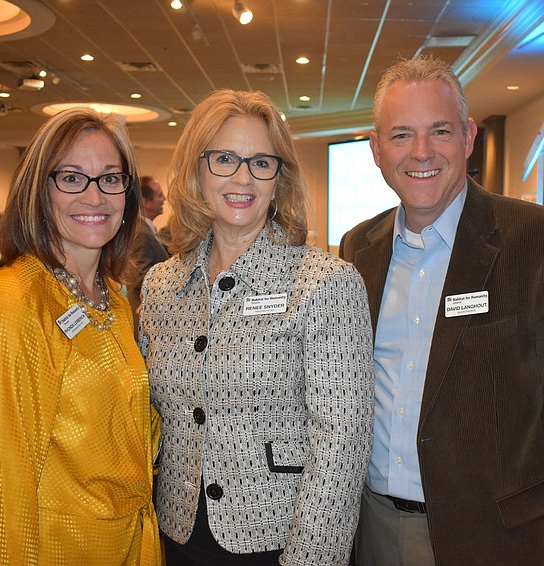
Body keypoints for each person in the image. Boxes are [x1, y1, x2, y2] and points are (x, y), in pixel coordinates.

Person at [339, 56, 544, 565]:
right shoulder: (356, 249)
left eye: (440, 131)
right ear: (376, 149)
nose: (422, 152)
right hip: (372, 528)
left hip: (494, 540)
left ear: (469, 137)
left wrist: (538, 516)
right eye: (402, 134)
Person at [138, 89, 374, 565]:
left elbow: (342, 443)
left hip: (279, 541)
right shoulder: (161, 285)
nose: (242, 177)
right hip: (176, 534)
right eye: (224, 158)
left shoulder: (325, 282)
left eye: (261, 162)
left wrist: (310, 559)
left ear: (278, 177)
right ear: (196, 169)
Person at [0, 108, 162, 565]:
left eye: (110, 178)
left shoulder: (113, 299)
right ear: (39, 190)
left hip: (127, 544)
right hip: (52, 548)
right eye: (72, 178)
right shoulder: (13, 302)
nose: (95, 197)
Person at [128, 176, 169, 323]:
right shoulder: (141, 232)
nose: (164, 198)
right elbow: (141, 277)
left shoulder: (147, 229)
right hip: (146, 315)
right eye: (159, 195)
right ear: (145, 202)